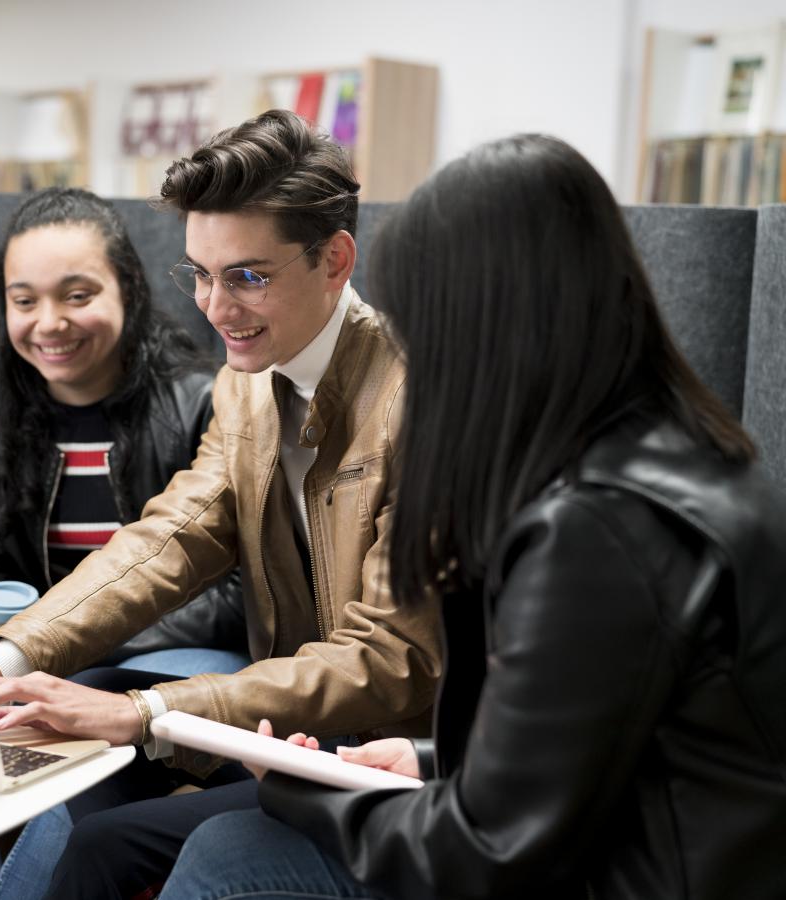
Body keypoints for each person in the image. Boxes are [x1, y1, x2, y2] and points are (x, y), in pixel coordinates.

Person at [156, 134, 786, 900]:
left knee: (230, 856)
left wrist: (303, 789)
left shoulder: (596, 532)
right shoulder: (683, 457)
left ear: (482, 330)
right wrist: (430, 765)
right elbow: (599, 750)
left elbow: (489, 854)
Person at [0, 109, 442, 900]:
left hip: (388, 759)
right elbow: (172, 539)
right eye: (198, 273)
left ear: (335, 259)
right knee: (72, 793)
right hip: (285, 732)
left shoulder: (417, 398)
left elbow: (390, 660)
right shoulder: (250, 380)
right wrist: (6, 657)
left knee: (107, 845)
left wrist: (148, 709)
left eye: (247, 276)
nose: (215, 307)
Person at [0, 187, 248, 899]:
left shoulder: (203, 403)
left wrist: (74, 651)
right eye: (24, 300)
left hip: (182, 656)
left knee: (63, 765)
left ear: (129, 289)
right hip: (46, 660)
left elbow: (235, 597)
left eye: (77, 294)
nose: (49, 323)